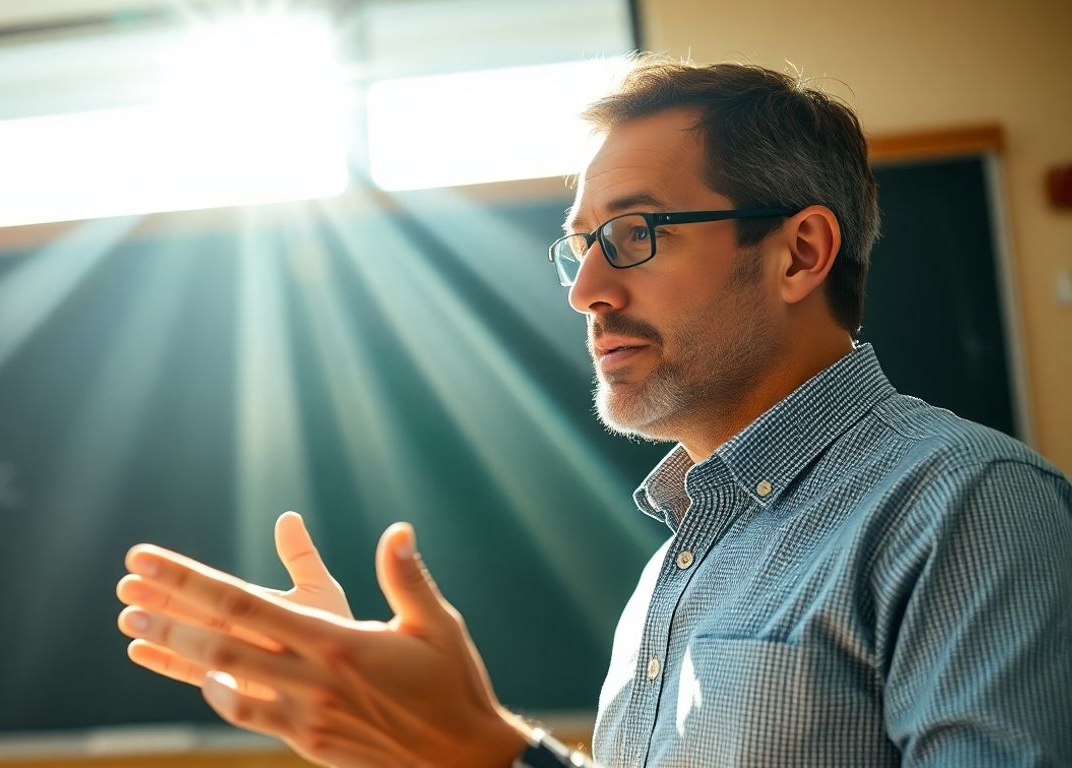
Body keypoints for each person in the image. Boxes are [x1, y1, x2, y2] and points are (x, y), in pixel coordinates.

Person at [115, 58, 1072, 767]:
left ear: (799, 253)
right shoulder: (674, 568)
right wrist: (409, 740)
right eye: (581, 246)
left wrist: (489, 754)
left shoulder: (968, 507)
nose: (586, 292)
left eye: (634, 233)